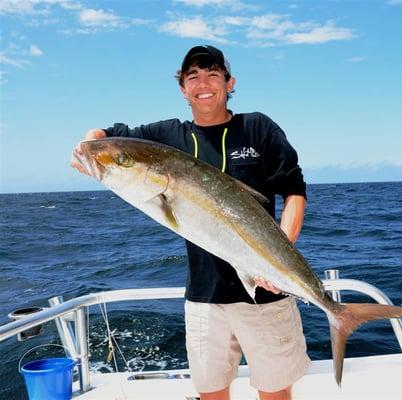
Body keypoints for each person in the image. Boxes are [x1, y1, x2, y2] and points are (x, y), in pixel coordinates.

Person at [71, 45, 311, 400]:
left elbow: (294, 190)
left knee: (275, 393)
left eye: (213, 74)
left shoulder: (257, 128)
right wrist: (86, 147)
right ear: (183, 88)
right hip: (204, 299)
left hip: (266, 295)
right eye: (193, 77)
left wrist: (277, 260)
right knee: (211, 393)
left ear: (230, 83)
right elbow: (106, 135)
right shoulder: (168, 136)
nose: (203, 83)